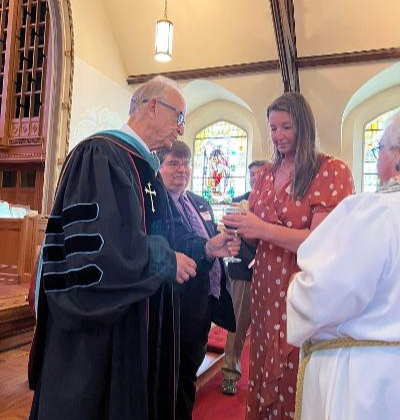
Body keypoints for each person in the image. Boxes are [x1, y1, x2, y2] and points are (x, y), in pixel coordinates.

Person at [28, 76, 237, 420]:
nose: (181, 130)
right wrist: (163, 259)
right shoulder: (100, 155)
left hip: (139, 323)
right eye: (179, 117)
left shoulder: (146, 171)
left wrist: (203, 248)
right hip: (102, 335)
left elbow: (169, 235)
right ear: (152, 106)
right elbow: (96, 245)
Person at [222, 92, 354, 420]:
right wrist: (238, 234)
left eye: (287, 127)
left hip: (302, 288)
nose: (279, 136)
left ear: (304, 127)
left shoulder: (330, 170)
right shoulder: (266, 174)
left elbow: (320, 243)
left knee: (296, 369)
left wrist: (261, 229)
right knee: (263, 358)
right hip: (266, 286)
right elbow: (255, 229)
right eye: (273, 129)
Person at [286, 113, 400, 420]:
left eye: (380, 150)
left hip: (367, 380)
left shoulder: (375, 213)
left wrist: (296, 286)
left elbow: (323, 296)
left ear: (397, 155)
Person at [157, 141, 238, 420]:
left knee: (189, 373)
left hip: (202, 303)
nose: (181, 170)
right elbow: (179, 239)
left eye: (185, 164)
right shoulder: (156, 202)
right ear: (160, 167)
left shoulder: (200, 202)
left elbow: (207, 237)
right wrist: (207, 247)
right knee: (169, 378)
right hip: (172, 306)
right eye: (173, 163)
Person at [220, 160, 267, 396]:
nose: (255, 178)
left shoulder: (274, 202)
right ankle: (230, 373)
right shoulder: (239, 201)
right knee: (237, 326)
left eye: (260, 173)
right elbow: (232, 235)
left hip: (272, 274)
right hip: (243, 272)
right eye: (252, 174)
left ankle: (263, 378)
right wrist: (254, 261)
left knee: (268, 328)